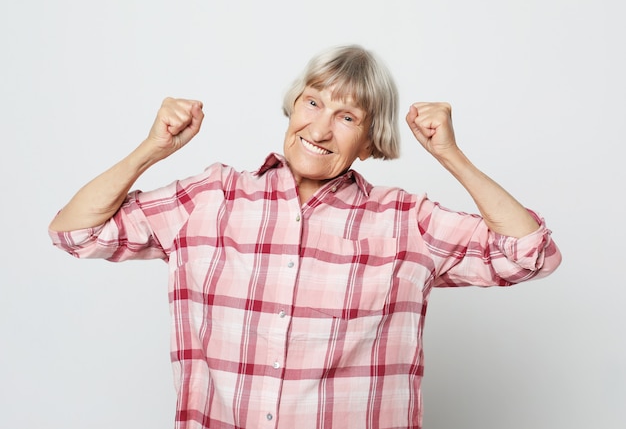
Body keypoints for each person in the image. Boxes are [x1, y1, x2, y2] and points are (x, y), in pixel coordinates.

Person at [48, 45, 561, 429]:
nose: (319, 129)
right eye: (312, 103)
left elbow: (530, 253)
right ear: (292, 106)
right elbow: (76, 231)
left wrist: (451, 155)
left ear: (369, 140)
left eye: (346, 116)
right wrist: (151, 149)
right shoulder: (210, 197)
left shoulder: (405, 221)